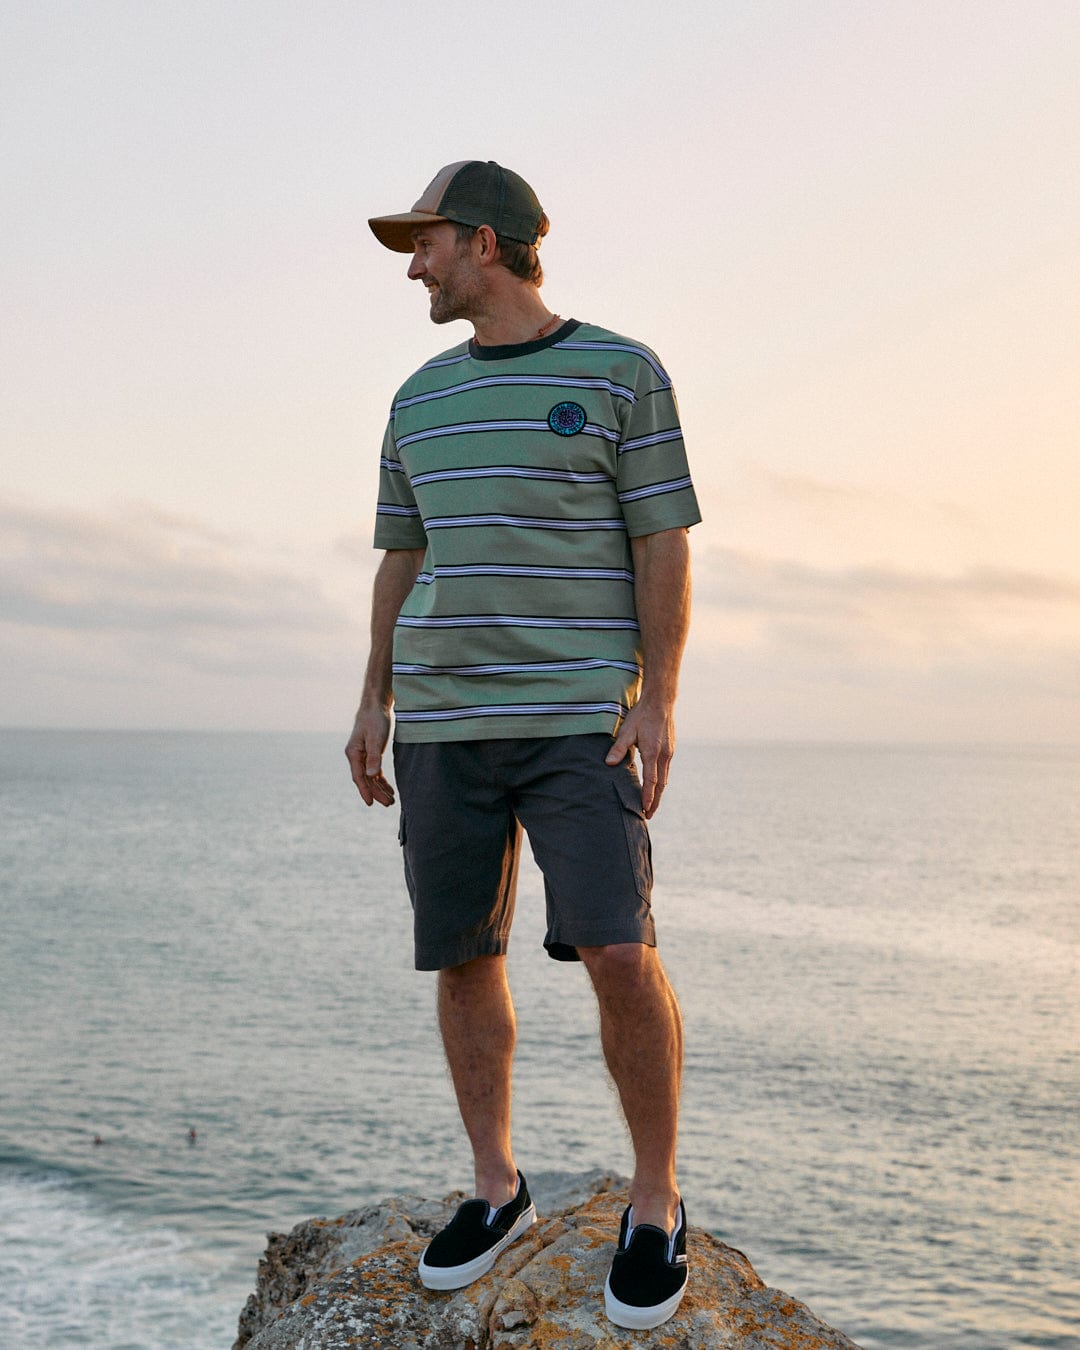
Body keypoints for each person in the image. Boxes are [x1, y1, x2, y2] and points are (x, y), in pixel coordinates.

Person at [345, 160, 701, 1331]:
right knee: (460, 954)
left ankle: (655, 1200)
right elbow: (402, 556)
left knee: (615, 949)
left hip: (578, 720)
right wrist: (373, 698)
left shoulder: (621, 373)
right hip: (445, 720)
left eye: (428, 241)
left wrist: (657, 696)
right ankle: (498, 1187)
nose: (413, 264)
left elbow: (663, 541)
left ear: (487, 244)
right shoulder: (416, 398)